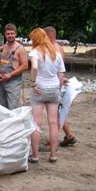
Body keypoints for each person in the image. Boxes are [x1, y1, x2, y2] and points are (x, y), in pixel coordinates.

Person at [27, 27, 66, 163]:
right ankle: (53, 155)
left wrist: (32, 83)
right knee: (53, 123)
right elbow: (61, 75)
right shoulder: (57, 54)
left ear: (36, 39)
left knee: (36, 122)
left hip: (39, 89)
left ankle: (35, 156)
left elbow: (35, 67)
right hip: (54, 89)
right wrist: (58, 89)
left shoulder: (34, 52)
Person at [44, 26, 77, 147]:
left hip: (55, 85)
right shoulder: (55, 48)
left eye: (44, 36)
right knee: (57, 112)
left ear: (50, 36)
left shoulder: (56, 50)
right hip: (56, 83)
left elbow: (57, 70)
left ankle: (54, 139)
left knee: (54, 113)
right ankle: (69, 135)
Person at [0, 23, 28, 110]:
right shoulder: (2, 48)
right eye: (8, 34)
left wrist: (10, 75)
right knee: (1, 107)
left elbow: (25, 66)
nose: (10, 35)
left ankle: (14, 123)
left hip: (14, 83)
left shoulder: (20, 49)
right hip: (2, 82)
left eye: (12, 33)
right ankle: (4, 123)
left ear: (15, 34)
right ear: (5, 35)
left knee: (13, 108)